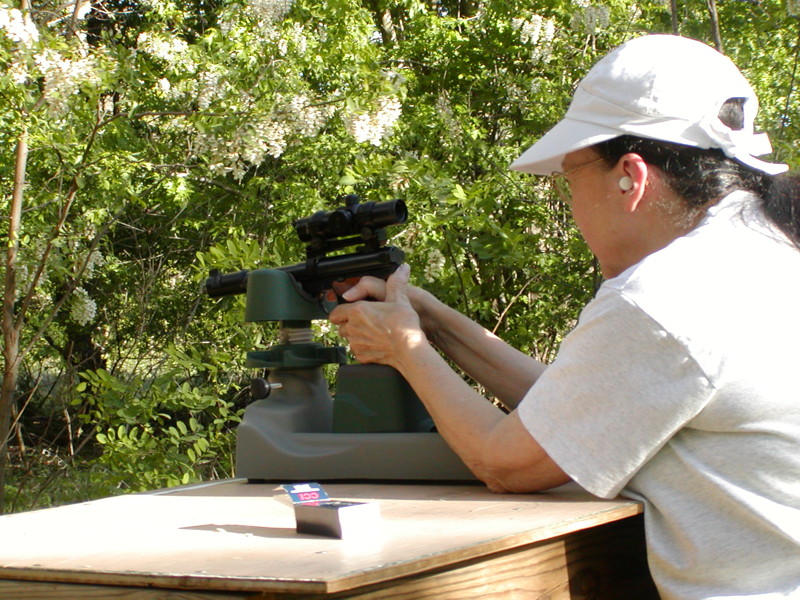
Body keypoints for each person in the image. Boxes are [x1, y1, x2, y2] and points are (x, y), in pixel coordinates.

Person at [329, 34, 800, 600]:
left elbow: (505, 462)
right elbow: (569, 415)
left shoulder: (666, 295)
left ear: (631, 176)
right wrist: (430, 320)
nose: (569, 206)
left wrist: (403, 350)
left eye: (567, 178)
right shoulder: (762, 251)